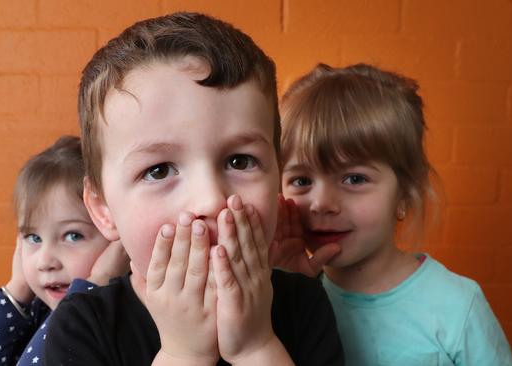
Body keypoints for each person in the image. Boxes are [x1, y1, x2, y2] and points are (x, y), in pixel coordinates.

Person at [44, 12, 344, 366]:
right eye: (158, 170)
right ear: (102, 208)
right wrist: (185, 354)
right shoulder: (82, 328)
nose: (210, 200)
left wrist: (255, 347)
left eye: (240, 161)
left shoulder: (304, 304)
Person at [276, 63, 512, 365]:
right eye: (302, 181)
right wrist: (286, 296)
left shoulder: (457, 307)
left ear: (404, 192)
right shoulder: (283, 302)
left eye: (354, 179)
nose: (321, 203)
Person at [0, 136, 130, 365]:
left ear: (118, 241)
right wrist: (19, 287)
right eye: (33, 237)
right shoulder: (37, 310)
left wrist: (94, 283)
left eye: (73, 235)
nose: (45, 261)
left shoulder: (125, 321)